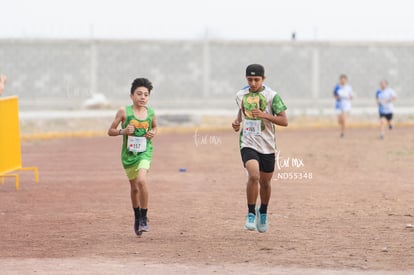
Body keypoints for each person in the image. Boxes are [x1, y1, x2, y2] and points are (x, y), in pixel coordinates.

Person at [232, 64, 288, 233]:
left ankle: (262, 211)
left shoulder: (272, 96)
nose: (253, 83)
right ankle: (250, 213)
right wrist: (236, 123)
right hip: (248, 142)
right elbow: (241, 114)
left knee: (265, 183)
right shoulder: (240, 95)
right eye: (250, 79)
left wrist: (264, 115)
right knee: (254, 175)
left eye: (257, 79)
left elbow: (284, 121)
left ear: (264, 78)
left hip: (268, 145)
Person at [108, 78, 157, 236]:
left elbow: (155, 127)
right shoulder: (124, 112)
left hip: (145, 151)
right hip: (129, 155)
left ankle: (144, 217)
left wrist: (153, 133)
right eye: (139, 94)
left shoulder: (150, 113)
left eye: (146, 94)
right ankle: (137, 217)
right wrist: (123, 131)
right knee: (134, 188)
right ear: (131, 96)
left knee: (142, 180)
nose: (143, 97)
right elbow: (110, 131)